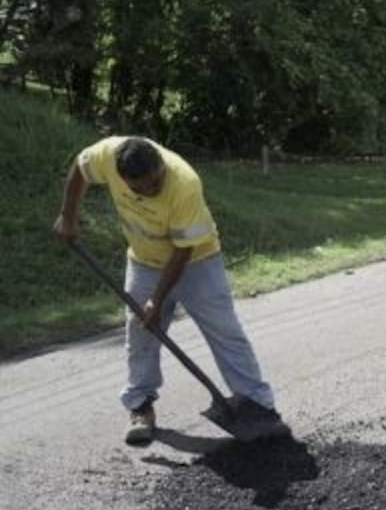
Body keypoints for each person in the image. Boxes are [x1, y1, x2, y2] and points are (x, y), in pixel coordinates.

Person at [53, 136, 288, 445]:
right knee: (139, 336)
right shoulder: (107, 155)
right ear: (122, 177)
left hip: (197, 262)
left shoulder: (184, 183)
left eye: (156, 183)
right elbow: (80, 170)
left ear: (161, 165)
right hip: (144, 262)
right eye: (141, 188)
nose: (151, 190)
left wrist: (156, 300)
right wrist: (68, 218)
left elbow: (182, 252)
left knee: (226, 332)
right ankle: (140, 407)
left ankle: (259, 406)